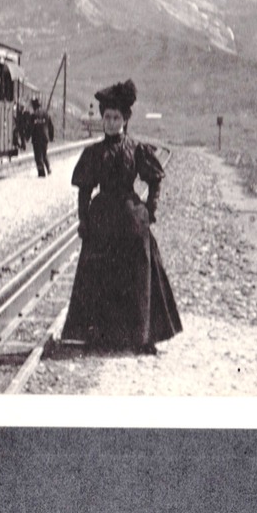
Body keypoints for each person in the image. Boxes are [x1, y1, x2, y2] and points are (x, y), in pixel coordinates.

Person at [61, 79, 182, 354]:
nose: (111, 123)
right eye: (107, 117)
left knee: (139, 274)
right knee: (99, 276)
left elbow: (155, 178)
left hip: (130, 218)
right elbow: (84, 189)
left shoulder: (135, 149)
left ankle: (141, 336)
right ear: (102, 119)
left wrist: (150, 210)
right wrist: (84, 219)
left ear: (125, 120)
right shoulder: (94, 153)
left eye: (116, 118)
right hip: (102, 218)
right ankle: (98, 336)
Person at [27, 96, 53, 176]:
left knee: (38, 156)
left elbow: (30, 127)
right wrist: (51, 136)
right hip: (45, 137)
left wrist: (27, 137)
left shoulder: (33, 115)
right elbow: (51, 126)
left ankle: (41, 173)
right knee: (44, 154)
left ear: (34, 105)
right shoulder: (46, 113)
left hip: (36, 138)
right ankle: (48, 168)